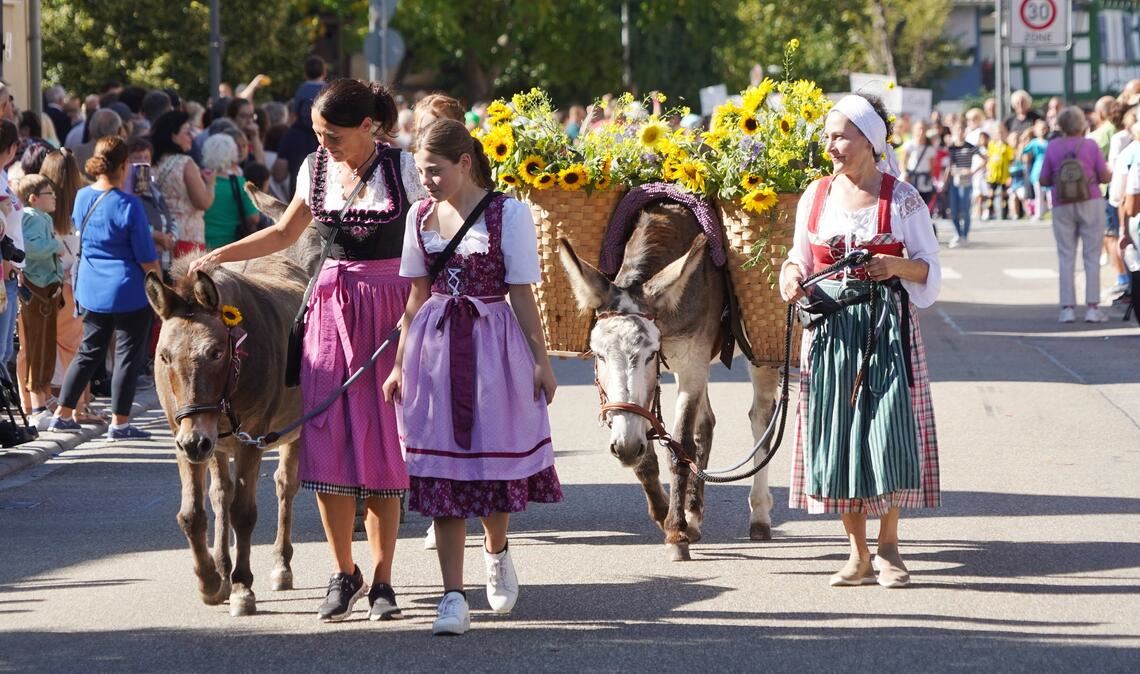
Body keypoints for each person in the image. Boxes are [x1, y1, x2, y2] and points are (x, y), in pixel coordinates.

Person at [190, 78, 427, 623]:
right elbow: (282, 234)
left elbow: (429, 242)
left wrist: (422, 309)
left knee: (383, 451)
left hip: (389, 309)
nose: (324, 144)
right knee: (325, 446)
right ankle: (344, 573)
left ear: (368, 126)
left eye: (333, 135)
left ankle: (383, 579)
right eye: (318, 133)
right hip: (329, 309)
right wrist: (220, 255)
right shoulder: (314, 168)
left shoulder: (403, 169)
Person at [383, 119, 562, 636]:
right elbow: (416, 296)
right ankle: (452, 595)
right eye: (421, 172)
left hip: (493, 347)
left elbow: (521, 294)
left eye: (434, 171)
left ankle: (497, 550)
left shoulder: (509, 214)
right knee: (442, 473)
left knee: (490, 465)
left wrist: (542, 361)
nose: (427, 182)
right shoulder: (419, 216)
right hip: (435, 348)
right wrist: (398, 364)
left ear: (464, 163)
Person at [779, 93, 941, 590]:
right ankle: (857, 554)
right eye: (827, 136)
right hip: (831, 333)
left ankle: (889, 547)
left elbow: (929, 269)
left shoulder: (903, 198)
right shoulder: (816, 195)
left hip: (885, 328)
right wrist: (789, 276)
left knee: (887, 433)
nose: (830, 146)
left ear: (870, 141)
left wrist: (894, 265)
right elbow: (799, 257)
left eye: (840, 136)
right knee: (838, 436)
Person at [46, 136, 160, 439]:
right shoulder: (130, 204)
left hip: (91, 287)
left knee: (88, 351)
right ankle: (119, 423)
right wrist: (160, 286)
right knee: (127, 356)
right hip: (128, 289)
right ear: (124, 166)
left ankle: (62, 414)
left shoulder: (82, 197)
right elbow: (146, 258)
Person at [39, 148, 101, 423]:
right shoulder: (83, 201)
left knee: (45, 346)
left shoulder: (43, 206)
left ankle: (51, 402)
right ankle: (79, 405)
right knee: (77, 346)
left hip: (46, 283)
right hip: (76, 284)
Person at [1039, 106, 1113, 324]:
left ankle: (1067, 308)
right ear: (1082, 124)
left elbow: (1044, 179)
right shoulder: (1090, 145)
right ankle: (1092, 308)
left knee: (1066, 255)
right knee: (1091, 255)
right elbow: (1104, 176)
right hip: (1090, 199)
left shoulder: (1053, 146)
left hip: (1062, 202)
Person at [15, 174, 65, 430]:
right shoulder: (31, 217)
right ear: (33, 198)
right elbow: (31, 249)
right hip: (36, 287)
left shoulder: (42, 217)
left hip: (47, 287)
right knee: (37, 346)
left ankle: (44, 397)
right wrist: (55, 245)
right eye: (49, 194)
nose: (54, 197)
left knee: (46, 345)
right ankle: (36, 406)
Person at [152, 110, 215, 257]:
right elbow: (203, 202)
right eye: (187, 132)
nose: (191, 137)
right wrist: (210, 184)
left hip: (161, 235)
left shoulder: (151, 163)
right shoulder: (185, 163)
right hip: (187, 236)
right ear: (173, 136)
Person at [0, 120, 26, 385]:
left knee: (6, 350)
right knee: (1, 351)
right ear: (12, 148)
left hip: (10, 271)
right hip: (3, 271)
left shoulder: (3, 175)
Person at [201, 134, 260, 250]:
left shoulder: (199, 179)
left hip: (201, 244)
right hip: (229, 247)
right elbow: (254, 218)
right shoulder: (239, 182)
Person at [944, 120, 982, 247]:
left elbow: (985, 159)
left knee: (965, 209)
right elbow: (948, 165)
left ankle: (964, 236)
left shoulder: (970, 146)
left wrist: (972, 171)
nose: (960, 132)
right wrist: (945, 182)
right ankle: (958, 234)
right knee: (953, 210)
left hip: (966, 181)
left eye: (962, 129)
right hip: (954, 181)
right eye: (957, 129)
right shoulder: (951, 148)